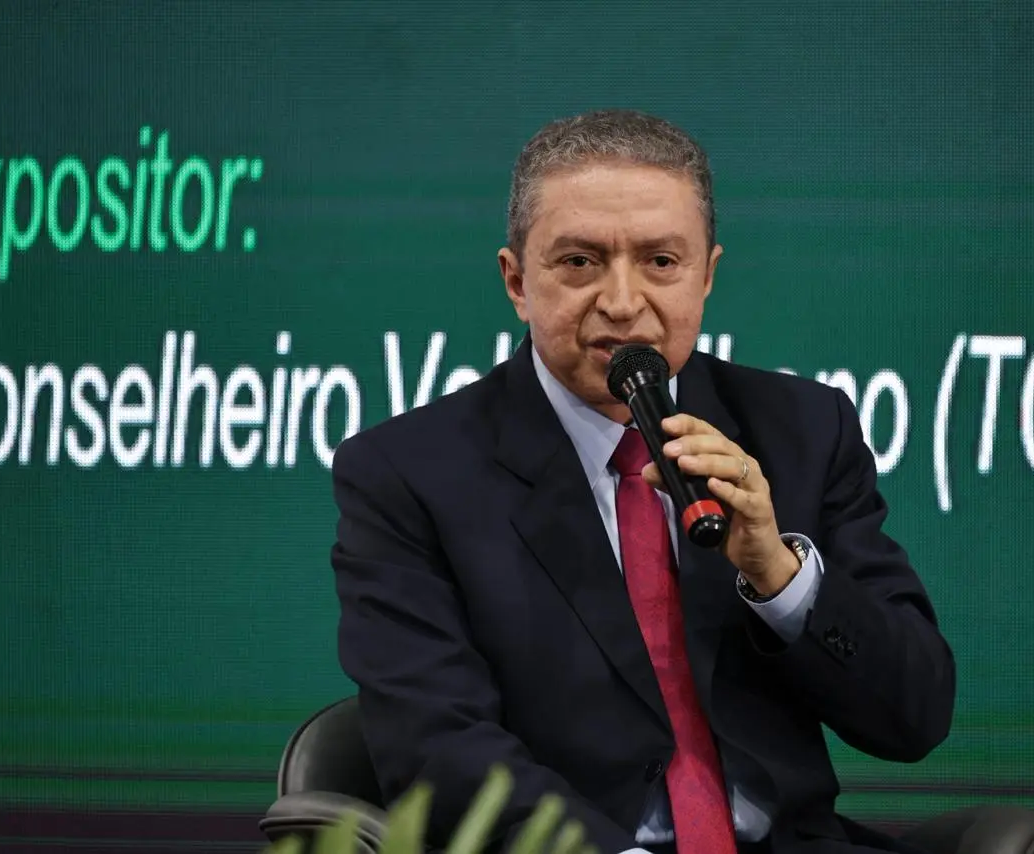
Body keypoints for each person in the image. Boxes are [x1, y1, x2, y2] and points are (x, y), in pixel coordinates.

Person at [331, 109, 955, 854]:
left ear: (707, 275)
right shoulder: (407, 474)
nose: (623, 303)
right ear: (517, 282)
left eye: (661, 262)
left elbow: (916, 715)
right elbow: (439, 755)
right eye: (579, 262)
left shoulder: (802, 431)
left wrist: (779, 575)